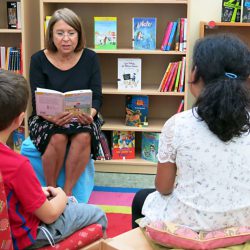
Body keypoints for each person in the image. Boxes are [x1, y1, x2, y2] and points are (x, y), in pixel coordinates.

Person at [132, 34, 250, 231]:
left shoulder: (178, 125)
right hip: (244, 223)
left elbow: (164, 187)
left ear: (196, 73)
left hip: (190, 226)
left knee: (140, 199)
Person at [0, 70, 107, 249]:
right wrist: (63, 195)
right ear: (19, 119)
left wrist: (38, 191)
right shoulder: (17, 165)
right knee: (97, 214)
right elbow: (49, 215)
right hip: (25, 235)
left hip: (10, 225)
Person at [28, 8, 103, 196]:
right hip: (46, 118)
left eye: (71, 33)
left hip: (83, 116)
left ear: (79, 35)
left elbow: (97, 96)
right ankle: (52, 192)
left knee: (84, 136)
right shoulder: (38, 59)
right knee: (58, 137)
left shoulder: (90, 58)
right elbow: (37, 103)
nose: (66, 39)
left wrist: (90, 114)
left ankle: (67, 195)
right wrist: (53, 118)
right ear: (51, 35)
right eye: (60, 33)